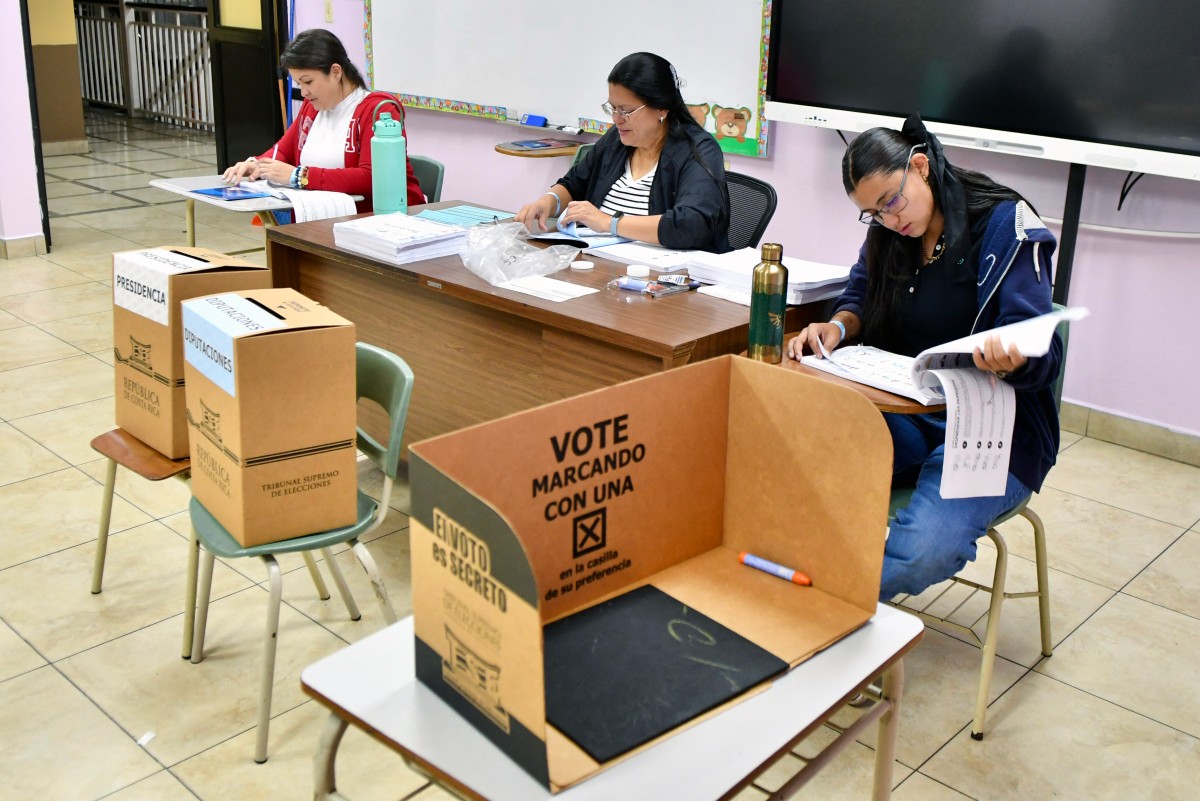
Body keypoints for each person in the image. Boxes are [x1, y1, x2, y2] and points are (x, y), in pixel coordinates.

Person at [788, 114, 1062, 601]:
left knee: (922, 551)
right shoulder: (890, 235)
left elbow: (1043, 351)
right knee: (798, 474)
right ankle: (812, 589)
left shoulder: (1003, 226)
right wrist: (837, 325)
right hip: (907, 415)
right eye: (874, 213)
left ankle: (822, 602)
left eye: (892, 202)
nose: (891, 220)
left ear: (920, 166)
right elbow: (860, 294)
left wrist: (1012, 355)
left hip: (992, 433)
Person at [515, 52, 731, 253]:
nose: (616, 119)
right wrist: (547, 202)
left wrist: (610, 223)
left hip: (661, 280)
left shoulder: (698, 150)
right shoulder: (617, 139)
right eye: (613, 108)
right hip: (600, 266)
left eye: (626, 111)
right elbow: (575, 184)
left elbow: (689, 224)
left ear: (662, 108)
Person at [221, 28, 423, 213]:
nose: (304, 92)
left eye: (308, 82)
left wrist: (299, 176)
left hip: (376, 221)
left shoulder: (378, 109)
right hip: (323, 219)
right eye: (299, 83)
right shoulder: (312, 107)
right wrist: (258, 164)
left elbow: (371, 178)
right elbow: (283, 150)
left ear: (336, 72)